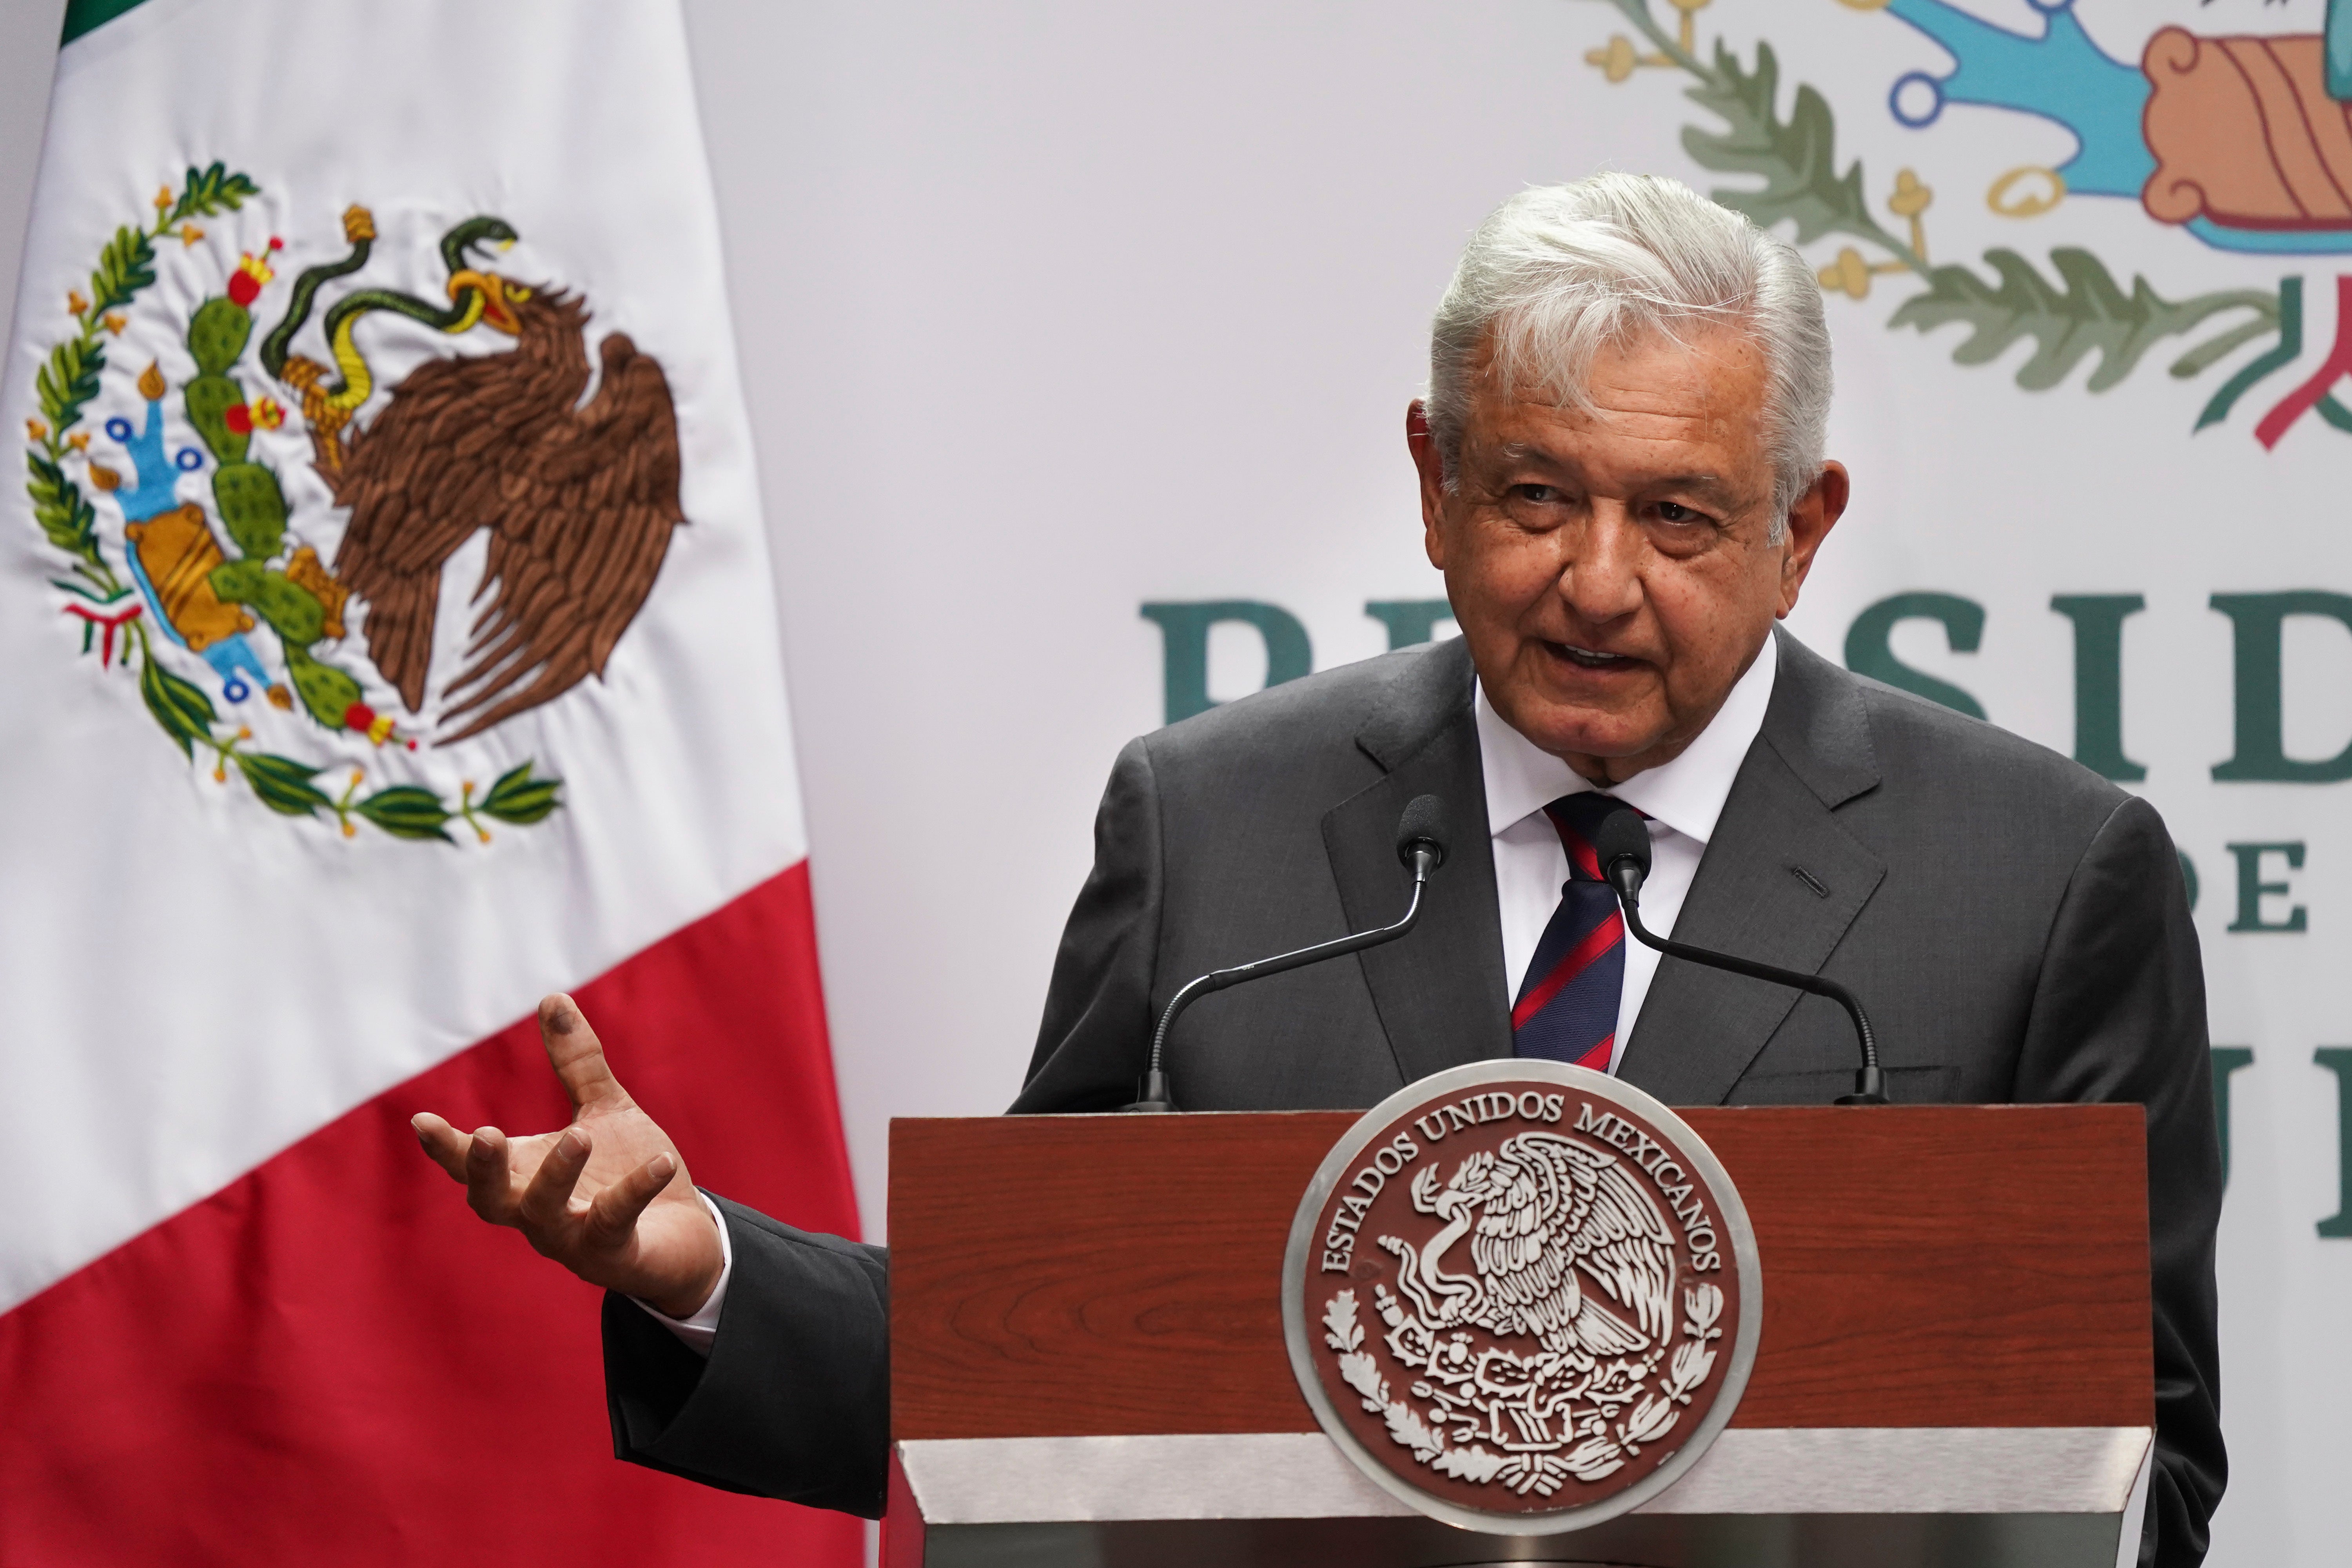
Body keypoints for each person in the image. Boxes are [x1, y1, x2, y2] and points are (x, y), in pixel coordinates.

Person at [411, 174, 2225, 1564]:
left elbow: (2142, 1461)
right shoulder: (1220, 826)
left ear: (1799, 527)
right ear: (1433, 488)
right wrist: (700, 1264)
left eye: (1676, 515)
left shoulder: (2045, 879)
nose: (1598, 579)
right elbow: (1033, 1355)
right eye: (1534, 496)